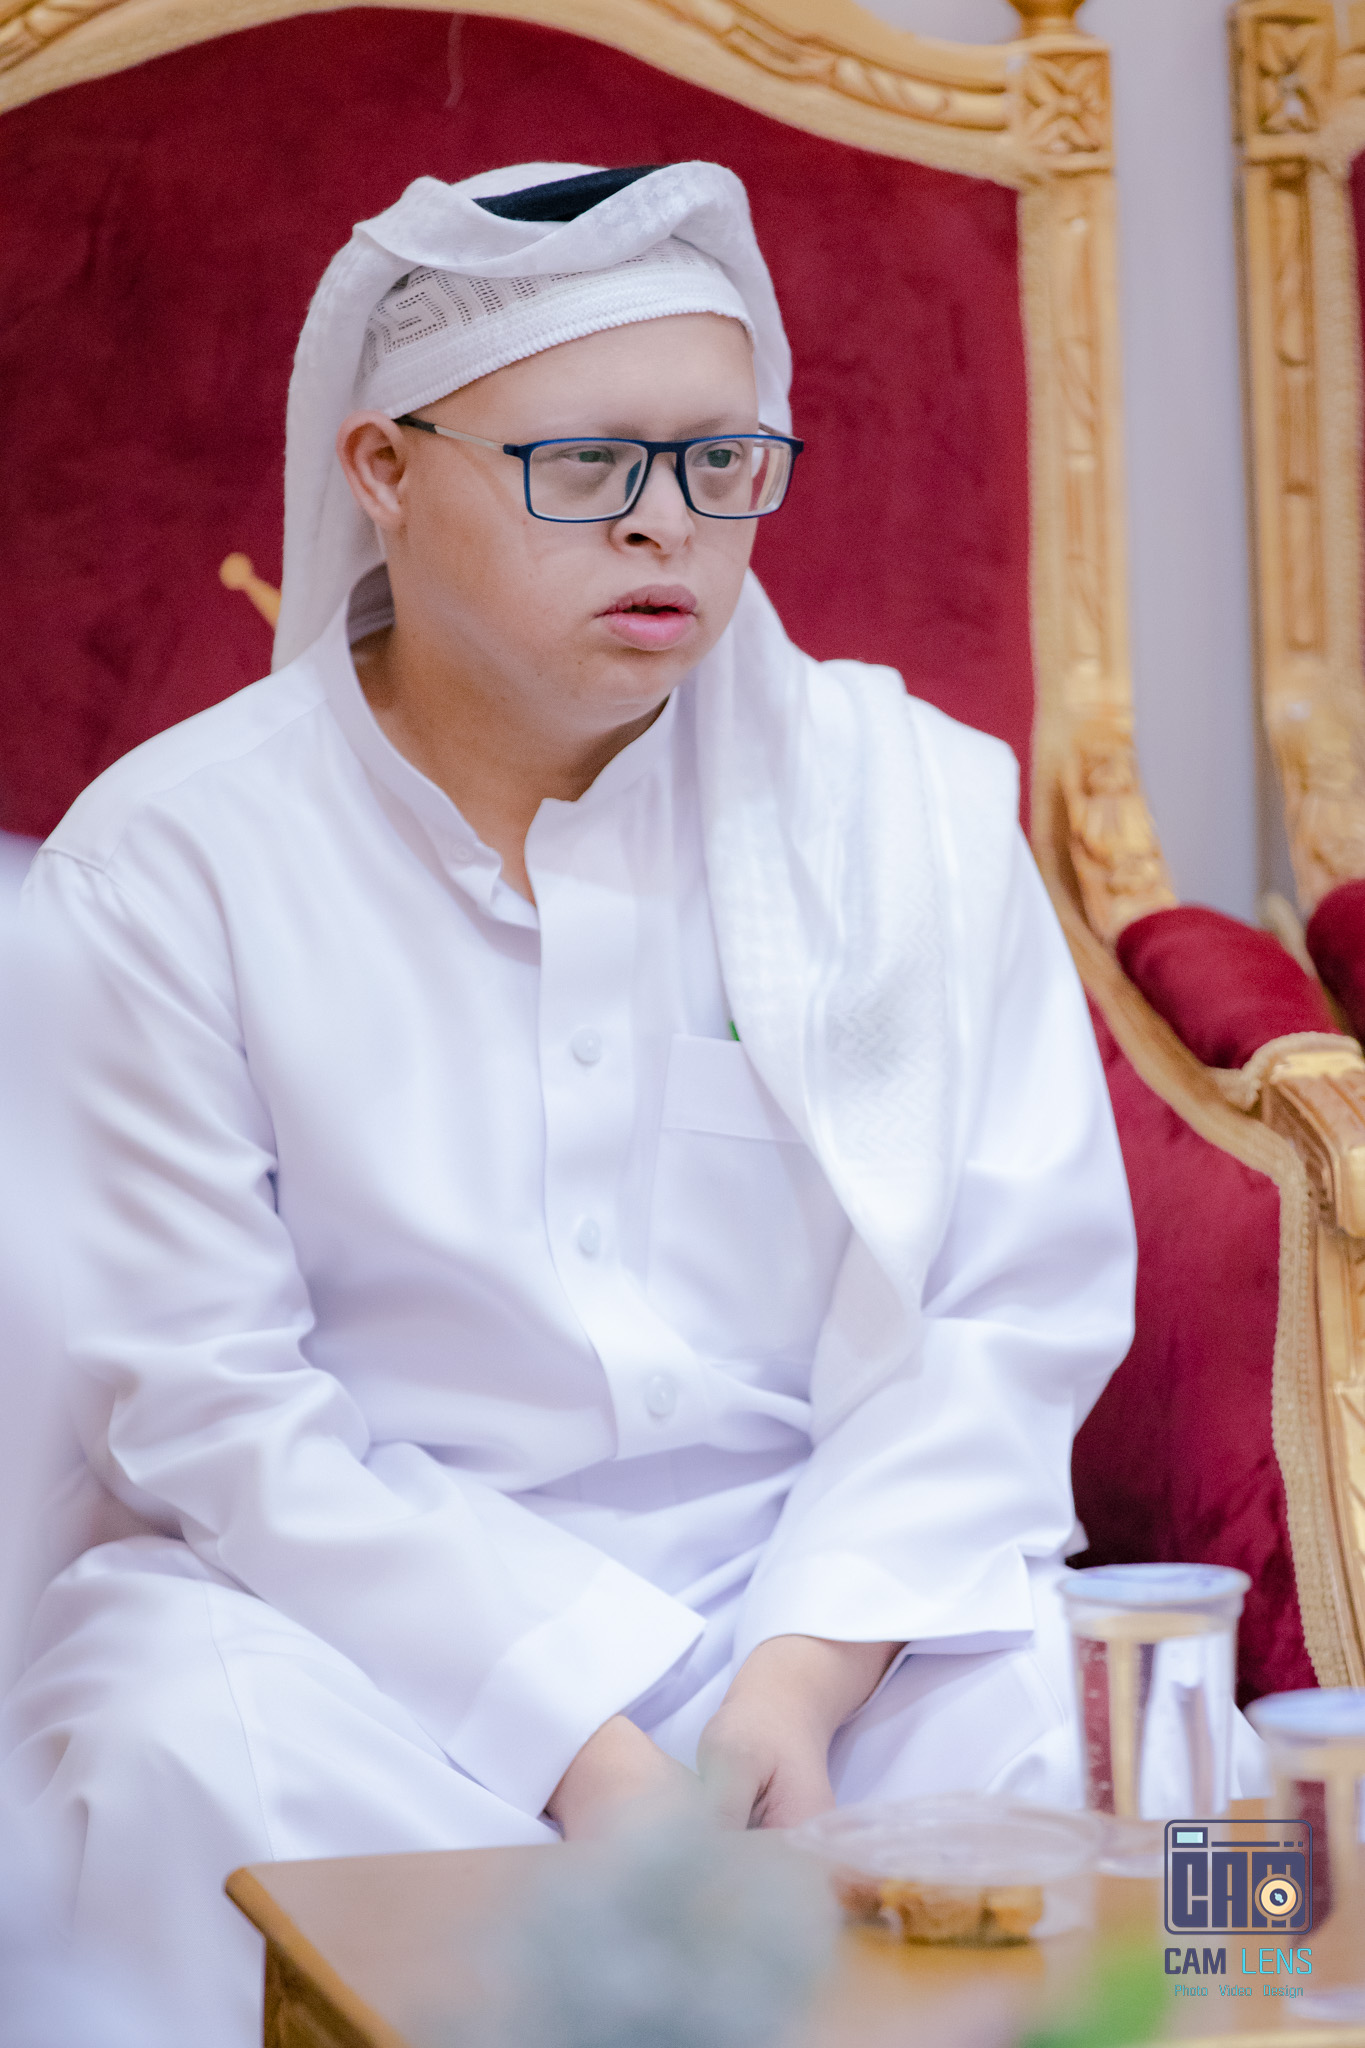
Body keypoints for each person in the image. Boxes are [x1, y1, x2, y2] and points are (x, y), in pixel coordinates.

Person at [4, 161, 1137, 2045]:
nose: (665, 525)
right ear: (383, 469)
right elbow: (213, 1403)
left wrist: (793, 1682)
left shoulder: (908, 805)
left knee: (1139, 1785)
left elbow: (1009, 1309)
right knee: (169, 1749)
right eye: (587, 464)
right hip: (354, 1621)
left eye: (720, 462)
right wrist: (583, 1748)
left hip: (832, 1602)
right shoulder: (174, 863)